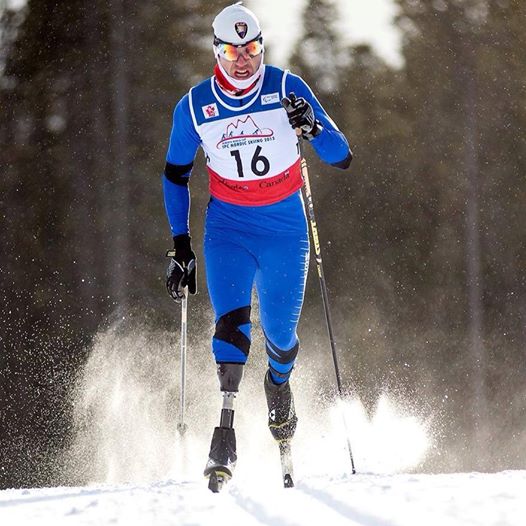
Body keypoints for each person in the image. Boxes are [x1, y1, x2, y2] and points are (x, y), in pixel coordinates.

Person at [163, 2, 352, 489]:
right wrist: (181, 244)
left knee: (281, 339)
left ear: (261, 48)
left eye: (250, 49)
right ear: (216, 52)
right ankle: (223, 436)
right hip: (228, 228)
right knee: (231, 330)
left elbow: (341, 156)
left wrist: (311, 127)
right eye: (232, 52)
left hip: (284, 230)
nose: (242, 60)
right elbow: (175, 174)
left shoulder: (287, 87)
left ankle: (279, 387)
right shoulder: (194, 106)